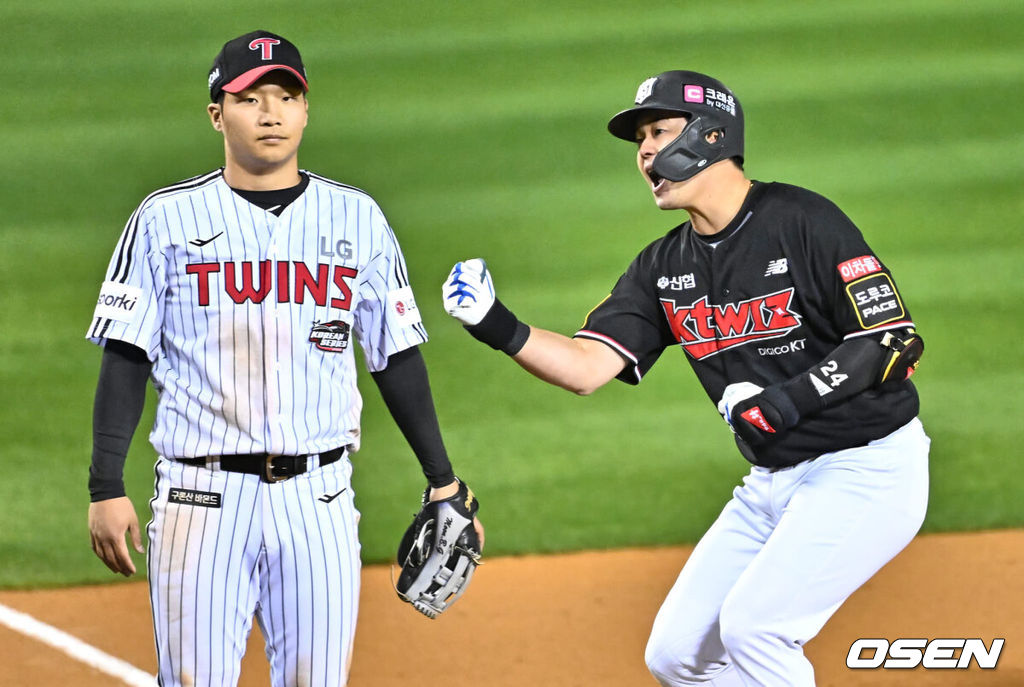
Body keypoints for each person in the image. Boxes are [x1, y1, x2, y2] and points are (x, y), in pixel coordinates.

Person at [442, 70, 928, 686]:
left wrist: (786, 403)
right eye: (639, 139)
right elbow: (589, 368)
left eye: (659, 131)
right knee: (676, 656)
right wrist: (496, 324)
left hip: (868, 470)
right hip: (771, 483)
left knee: (757, 630)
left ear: (710, 134)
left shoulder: (800, 219)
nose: (644, 152)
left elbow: (891, 340)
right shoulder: (663, 266)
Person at [86, 30, 482, 687]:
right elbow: (126, 354)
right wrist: (106, 484)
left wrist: (442, 478)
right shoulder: (163, 219)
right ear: (218, 113)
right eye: (250, 98)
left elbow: (396, 355)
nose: (271, 112)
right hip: (199, 497)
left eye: (287, 95)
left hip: (319, 498)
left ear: (306, 110)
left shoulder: (358, 219)